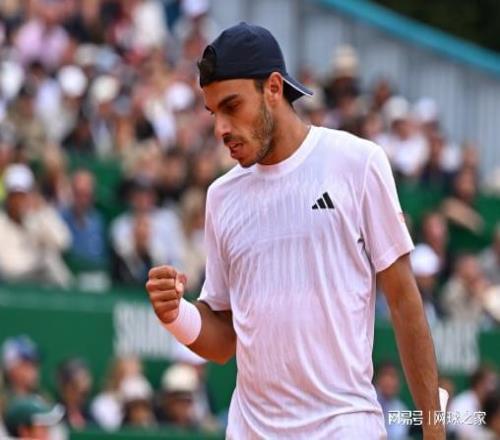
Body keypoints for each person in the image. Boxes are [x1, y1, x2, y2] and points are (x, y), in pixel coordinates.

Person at [146, 23, 444, 439]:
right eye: (214, 113)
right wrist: (176, 315)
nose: (221, 129)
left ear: (273, 87)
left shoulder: (358, 163)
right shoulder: (221, 197)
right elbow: (224, 340)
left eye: (232, 106)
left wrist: (434, 429)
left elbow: (404, 301)